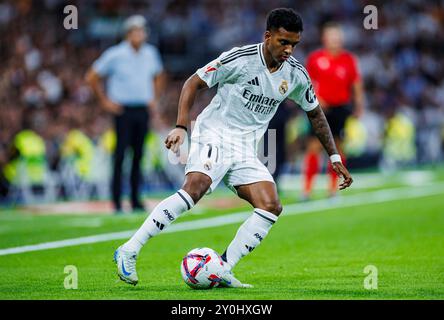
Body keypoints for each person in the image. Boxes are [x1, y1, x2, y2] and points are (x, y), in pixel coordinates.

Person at [113, 8, 353, 287]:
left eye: (294, 44)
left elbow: (315, 113)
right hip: (214, 133)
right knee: (195, 188)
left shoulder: (296, 74)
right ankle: (129, 249)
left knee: (271, 205)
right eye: (283, 42)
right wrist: (181, 127)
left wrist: (334, 155)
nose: (289, 50)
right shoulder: (240, 59)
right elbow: (193, 82)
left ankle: (222, 267)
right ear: (268, 36)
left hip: (244, 149)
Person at [86, 15, 165, 213]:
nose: (140, 34)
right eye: (136, 31)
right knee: (120, 154)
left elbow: (159, 75)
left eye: (142, 30)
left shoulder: (150, 53)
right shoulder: (116, 54)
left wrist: (154, 98)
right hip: (123, 110)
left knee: (139, 155)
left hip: (142, 109)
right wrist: (105, 101)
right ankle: (116, 200)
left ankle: (136, 199)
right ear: (128, 33)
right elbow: (92, 76)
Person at [302, 22, 364, 200]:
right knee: (313, 147)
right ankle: (306, 190)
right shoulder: (315, 58)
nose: (335, 40)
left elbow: (356, 83)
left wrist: (359, 105)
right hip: (320, 110)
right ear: (325, 39)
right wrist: (317, 99)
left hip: (341, 108)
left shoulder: (348, 59)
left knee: (338, 149)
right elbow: (307, 83)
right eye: (332, 37)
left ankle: (333, 189)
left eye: (337, 37)